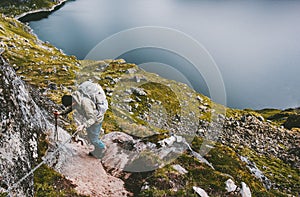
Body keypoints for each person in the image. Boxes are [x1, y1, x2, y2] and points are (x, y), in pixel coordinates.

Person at [57, 82, 108, 159]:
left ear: (73, 102)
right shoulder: (76, 99)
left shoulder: (85, 102)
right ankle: (96, 151)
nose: (71, 106)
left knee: (94, 139)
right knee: (90, 137)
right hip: (89, 120)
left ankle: (103, 148)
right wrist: (61, 113)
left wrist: (83, 125)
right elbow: (70, 108)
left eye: (70, 104)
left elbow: (93, 118)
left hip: (96, 120)